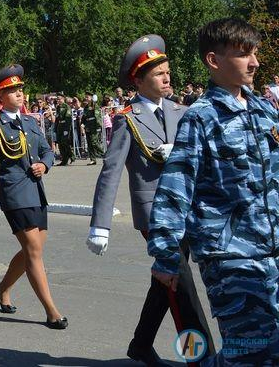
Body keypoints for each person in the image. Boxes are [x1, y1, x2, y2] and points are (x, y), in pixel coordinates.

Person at [149, 18, 279, 365]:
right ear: (213, 60)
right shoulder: (201, 118)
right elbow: (176, 187)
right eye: (243, 55)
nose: (254, 62)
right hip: (231, 257)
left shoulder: (263, 110)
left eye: (254, 53)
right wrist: (165, 255)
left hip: (272, 250)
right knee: (248, 351)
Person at [87, 34, 215, 366]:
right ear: (139, 81)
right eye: (159, 74)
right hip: (156, 216)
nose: (167, 77)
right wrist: (100, 224)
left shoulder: (183, 111)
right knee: (182, 291)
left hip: (187, 209)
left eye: (168, 71)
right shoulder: (127, 119)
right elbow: (111, 171)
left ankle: (141, 344)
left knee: (165, 284)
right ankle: (201, 358)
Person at [0, 65, 66, 329]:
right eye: (12, 91)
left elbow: (48, 151)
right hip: (14, 193)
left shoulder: (30, 121)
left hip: (36, 192)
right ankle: (51, 310)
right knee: (34, 251)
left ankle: (2, 288)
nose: (19, 94)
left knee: (31, 251)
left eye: (20, 89)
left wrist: (45, 165)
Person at [81, 93, 103, 165]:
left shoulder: (94, 105)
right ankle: (93, 159)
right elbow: (84, 117)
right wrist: (82, 123)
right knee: (90, 143)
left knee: (94, 142)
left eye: (87, 97)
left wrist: (98, 126)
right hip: (88, 126)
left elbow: (97, 117)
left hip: (94, 126)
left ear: (91, 98)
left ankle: (105, 155)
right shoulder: (86, 107)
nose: (86, 98)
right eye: (86, 97)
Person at [54, 94, 74, 165]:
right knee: (60, 143)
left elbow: (68, 119)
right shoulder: (58, 107)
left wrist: (66, 129)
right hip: (59, 126)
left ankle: (71, 156)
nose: (58, 100)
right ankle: (64, 160)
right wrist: (55, 128)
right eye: (57, 99)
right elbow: (57, 118)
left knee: (64, 142)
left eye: (59, 99)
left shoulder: (66, 107)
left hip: (65, 126)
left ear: (63, 99)